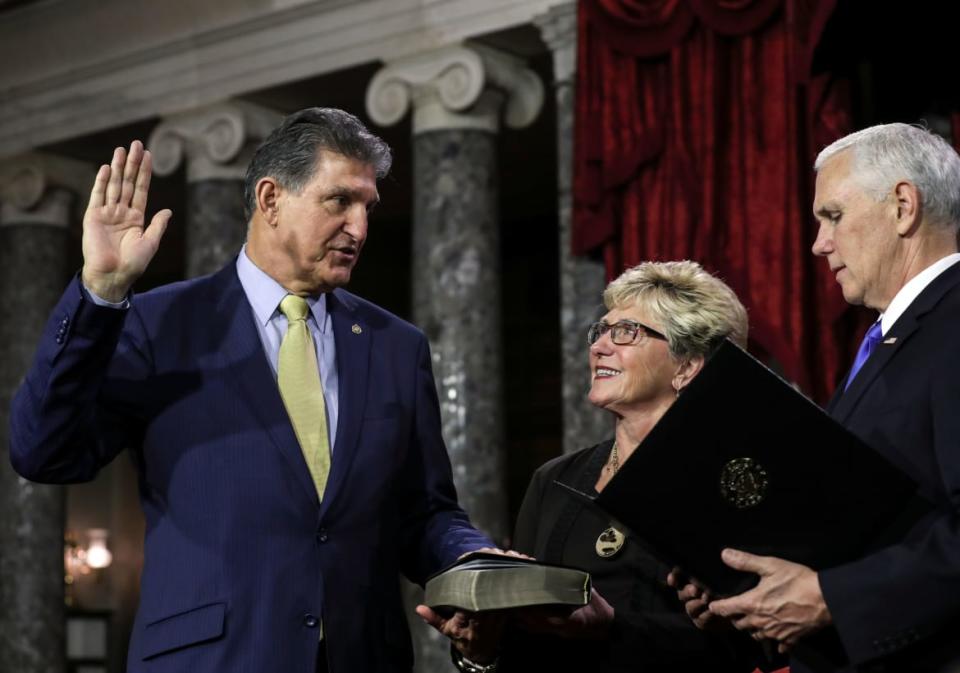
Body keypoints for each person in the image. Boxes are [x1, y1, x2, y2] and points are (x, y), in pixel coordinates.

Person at [8, 108, 494, 673]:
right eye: (340, 201)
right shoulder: (159, 323)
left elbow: (425, 511)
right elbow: (43, 452)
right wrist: (100, 294)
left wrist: (473, 558)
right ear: (270, 199)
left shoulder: (395, 345)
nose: (359, 228)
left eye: (367, 208)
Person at [674, 123, 960, 673]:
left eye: (832, 216)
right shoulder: (887, 343)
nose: (818, 243)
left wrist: (833, 598)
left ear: (903, 206)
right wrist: (750, 592)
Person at [422, 260, 754, 672]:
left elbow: (750, 650)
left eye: (626, 332)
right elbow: (523, 642)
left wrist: (611, 628)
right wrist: (482, 651)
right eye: (600, 331)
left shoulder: (729, 483)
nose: (598, 347)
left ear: (687, 365)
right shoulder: (555, 480)